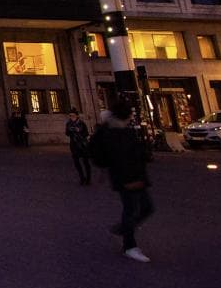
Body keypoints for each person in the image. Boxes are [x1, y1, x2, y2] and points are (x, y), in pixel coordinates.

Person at [91, 101, 154, 262]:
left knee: (146, 208)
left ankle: (123, 229)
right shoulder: (110, 133)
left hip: (137, 176)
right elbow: (104, 155)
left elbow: (136, 152)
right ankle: (129, 245)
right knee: (131, 210)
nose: (132, 116)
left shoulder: (126, 130)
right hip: (125, 178)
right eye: (131, 113)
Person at [65, 109, 91, 185]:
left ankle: (88, 178)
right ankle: (82, 177)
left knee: (85, 162)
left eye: (73, 115)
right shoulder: (68, 123)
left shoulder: (82, 123)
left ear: (77, 116)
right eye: (70, 116)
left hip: (82, 144)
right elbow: (67, 133)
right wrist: (70, 130)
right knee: (76, 162)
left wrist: (79, 130)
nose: (71, 117)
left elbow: (86, 134)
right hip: (74, 145)